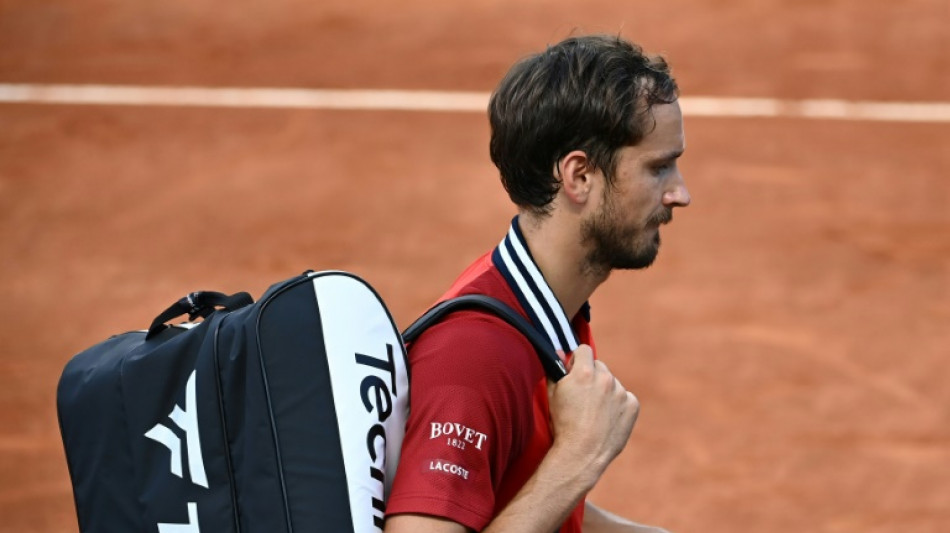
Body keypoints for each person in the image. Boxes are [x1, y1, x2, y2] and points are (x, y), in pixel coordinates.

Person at [385, 34, 690, 533]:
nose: (680, 193)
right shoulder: (473, 354)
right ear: (579, 177)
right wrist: (578, 459)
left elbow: (514, 492)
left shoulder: (544, 313)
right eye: (659, 167)